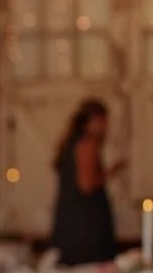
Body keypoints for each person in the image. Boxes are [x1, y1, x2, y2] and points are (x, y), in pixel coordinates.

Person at [49, 98, 122, 264]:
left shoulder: (71, 144)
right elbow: (86, 184)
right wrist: (108, 174)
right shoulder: (87, 145)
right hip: (85, 224)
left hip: (73, 219)